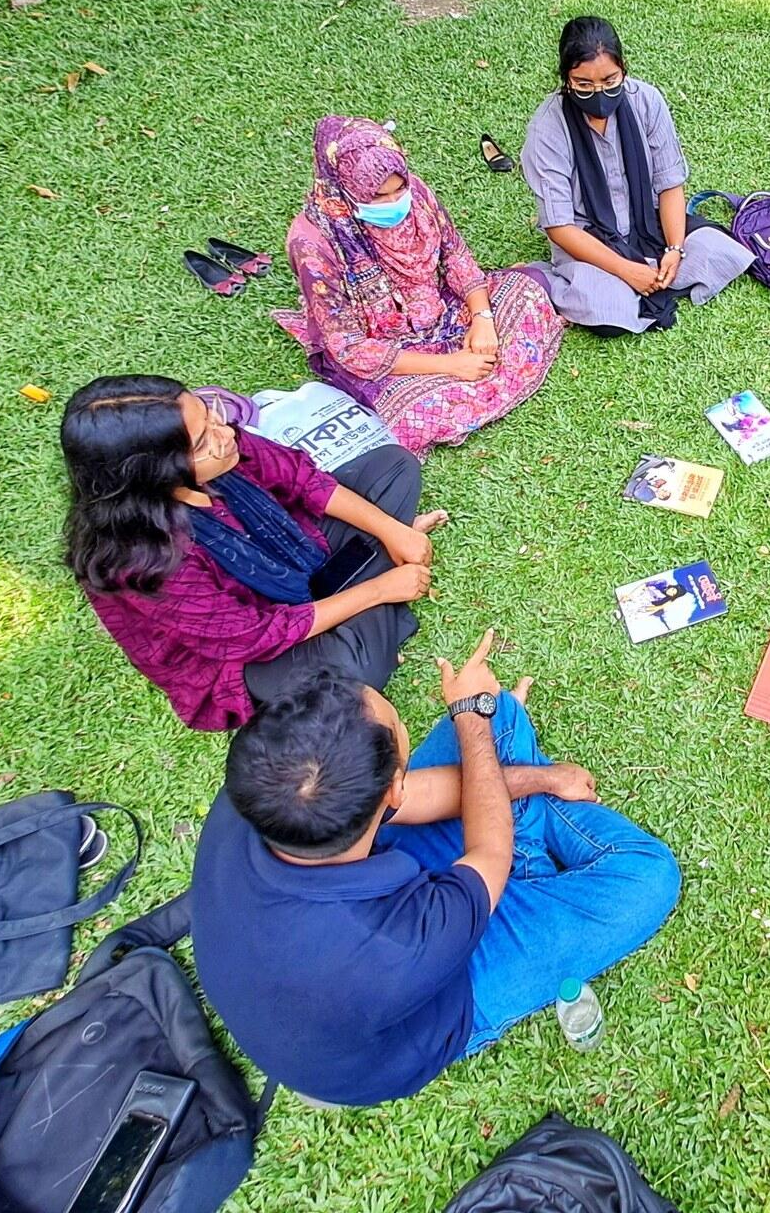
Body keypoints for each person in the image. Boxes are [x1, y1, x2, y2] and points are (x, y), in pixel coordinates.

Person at [189, 633, 681, 1107]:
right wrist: (468, 721)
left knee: (499, 714)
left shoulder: (264, 784)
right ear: (391, 792)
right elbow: (490, 854)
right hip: (431, 994)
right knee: (648, 877)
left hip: (353, 918)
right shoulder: (395, 942)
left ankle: (525, 826)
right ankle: (529, 847)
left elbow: (418, 795)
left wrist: (541, 776)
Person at [62, 375, 442, 731]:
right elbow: (255, 636)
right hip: (246, 657)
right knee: (359, 669)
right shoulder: (144, 562)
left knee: (393, 467)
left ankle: (365, 594)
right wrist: (379, 591)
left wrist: (391, 530)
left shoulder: (223, 444)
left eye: (211, 414)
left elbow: (301, 478)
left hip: (297, 551)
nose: (225, 434)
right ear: (152, 474)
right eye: (201, 442)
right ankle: (369, 591)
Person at [276, 117, 564, 458]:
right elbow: (349, 349)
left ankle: (479, 369)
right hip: (388, 350)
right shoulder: (314, 244)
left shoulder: (417, 194)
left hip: (443, 313)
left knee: (527, 290)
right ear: (344, 189)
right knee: (408, 418)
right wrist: (451, 365)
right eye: (378, 196)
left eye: (399, 190)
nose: (394, 202)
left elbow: (456, 257)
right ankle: (476, 375)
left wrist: (482, 318)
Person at [519, 16, 753, 335]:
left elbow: (670, 184)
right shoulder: (547, 128)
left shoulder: (646, 100)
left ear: (623, 69)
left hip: (648, 224)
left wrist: (674, 249)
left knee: (721, 251)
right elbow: (560, 227)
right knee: (607, 311)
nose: (598, 93)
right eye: (584, 84)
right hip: (589, 237)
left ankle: (654, 271)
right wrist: (627, 271)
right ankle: (547, 277)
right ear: (566, 79)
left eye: (609, 80)